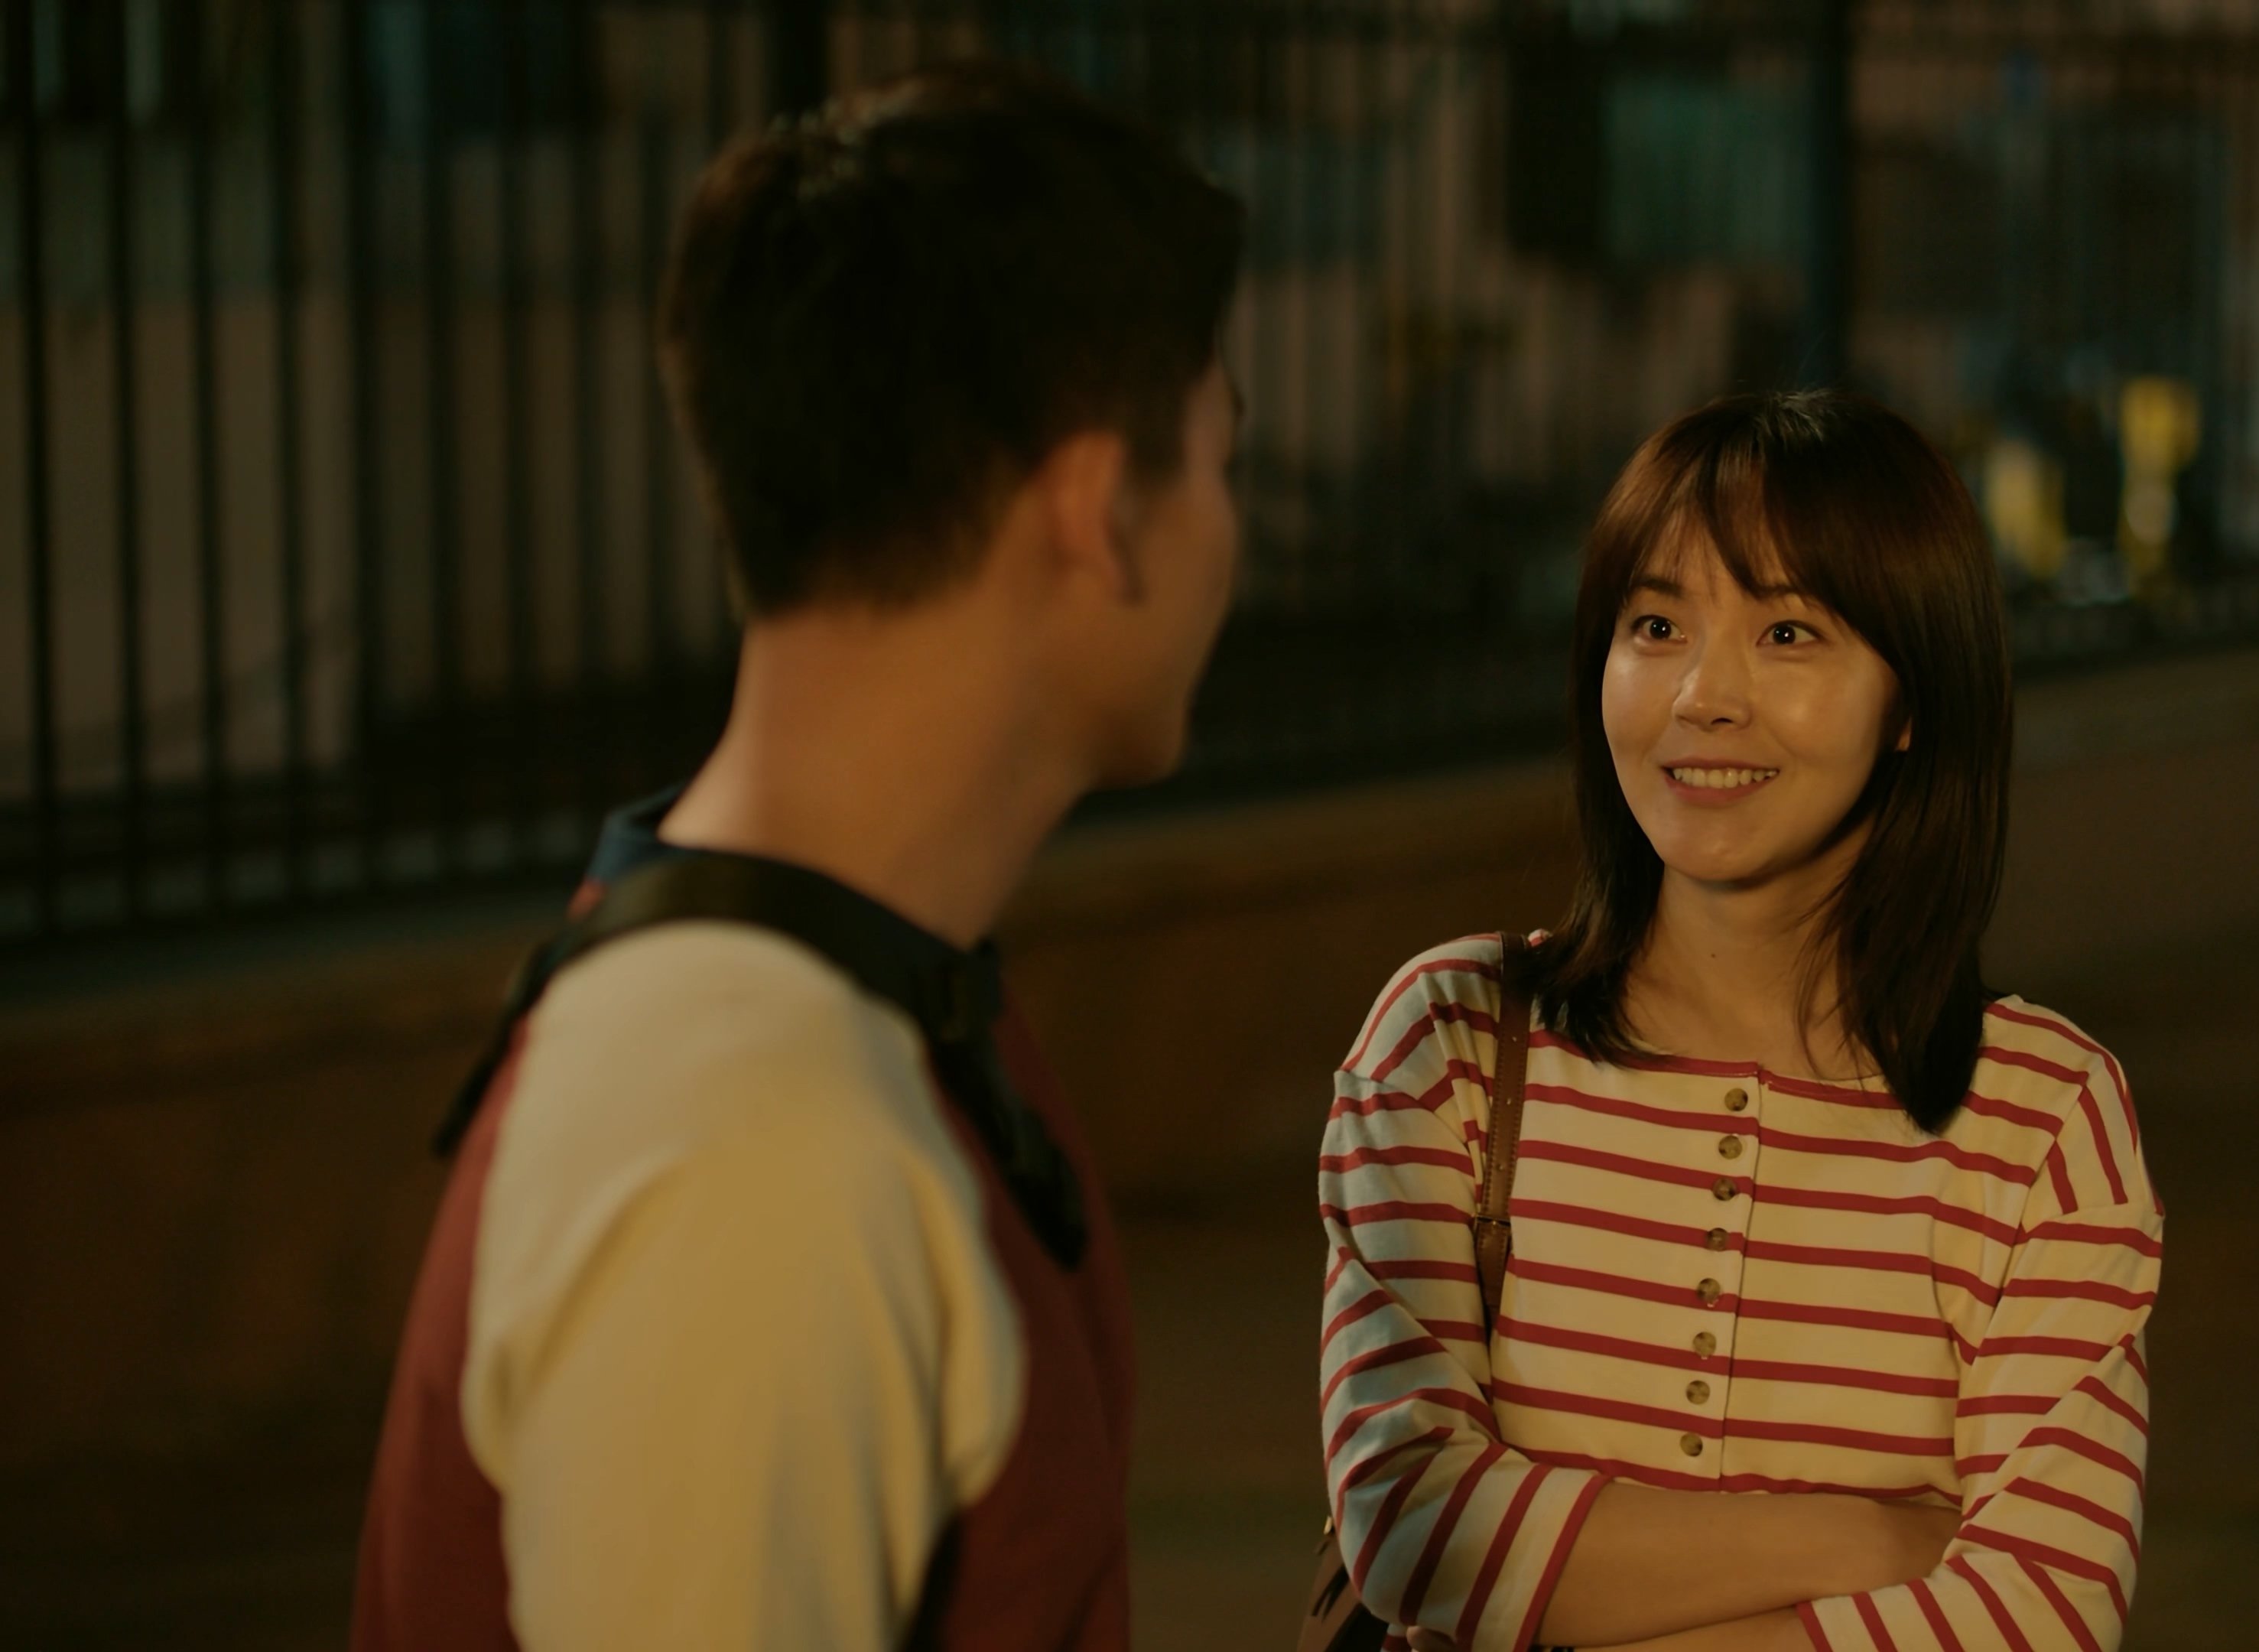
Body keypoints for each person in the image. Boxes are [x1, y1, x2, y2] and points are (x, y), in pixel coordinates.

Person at [352, 60, 1243, 1651]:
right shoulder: (758, 1143)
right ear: (1098, 509)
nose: (1232, 533)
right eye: (1224, 460)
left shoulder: (838, 999)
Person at [1318, 392, 2161, 1652]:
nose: (1705, 696)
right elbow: (1413, 1521)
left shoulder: (2041, 1118)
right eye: (1656, 625)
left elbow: (2044, 1607)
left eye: (1789, 632)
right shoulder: (1453, 1042)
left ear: (1913, 698)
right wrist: (1883, 1541)